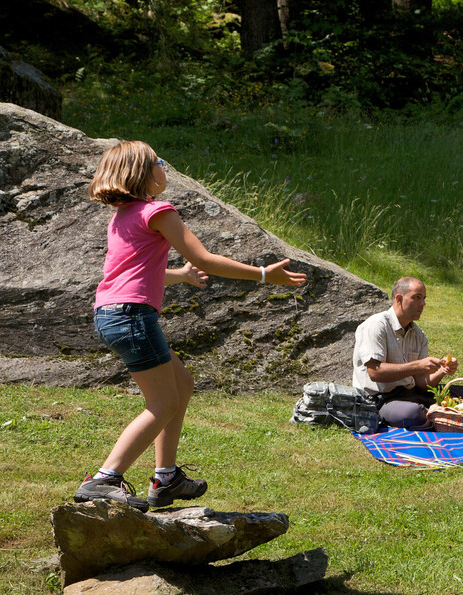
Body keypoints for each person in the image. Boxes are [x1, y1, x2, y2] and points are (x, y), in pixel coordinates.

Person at [74, 140, 307, 512]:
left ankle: (165, 478)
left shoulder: (123, 216)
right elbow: (205, 258)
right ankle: (105, 478)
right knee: (163, 402)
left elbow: (133, 273)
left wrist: (180, 276)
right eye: (159, 161)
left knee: (181, 383)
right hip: (132, 316)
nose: (164, 167)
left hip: (112, 313)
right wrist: (264, 274)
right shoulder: (158, 211)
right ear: (144, 173)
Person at [352, 276, 458, 429]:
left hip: (411, 395)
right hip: (380, 400)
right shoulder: (376, 325)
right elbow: (375, 372)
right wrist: (417, 366)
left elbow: (421, 383)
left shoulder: (418, 335)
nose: (423, 304)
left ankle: (441, 415)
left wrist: (442, 370)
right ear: (399, 299)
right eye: (417, 297)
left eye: (424, 298)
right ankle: (443, 416)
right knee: (412, 413)